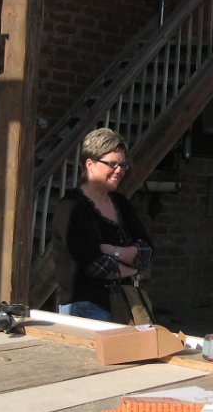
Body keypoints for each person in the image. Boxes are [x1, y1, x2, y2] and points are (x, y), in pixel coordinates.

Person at [52, 128, 153, 322]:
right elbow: (96, 265)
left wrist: (113, 251)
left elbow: (148, 251)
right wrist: (133, 269)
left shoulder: (121, 203)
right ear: (90, 164)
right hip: (85, 308)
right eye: (112, 164)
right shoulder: (71, 207)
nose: (119, 170)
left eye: (123, 165)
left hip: (125, 302)